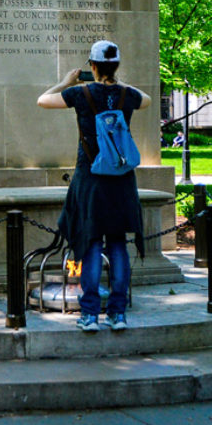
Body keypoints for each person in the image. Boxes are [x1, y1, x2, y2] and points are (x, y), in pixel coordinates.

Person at [38, 40, 150, 332]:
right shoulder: (128, 95)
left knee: (90, 245)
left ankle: (89, 315)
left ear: (92, 65)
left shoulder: (80, 92)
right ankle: (117, 313)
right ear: (116, 65)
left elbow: (43, 100)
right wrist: (117, 81)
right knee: (117, 245)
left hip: (90, 178)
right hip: (122, 180)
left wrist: (64, 81)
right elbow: (147, 99)